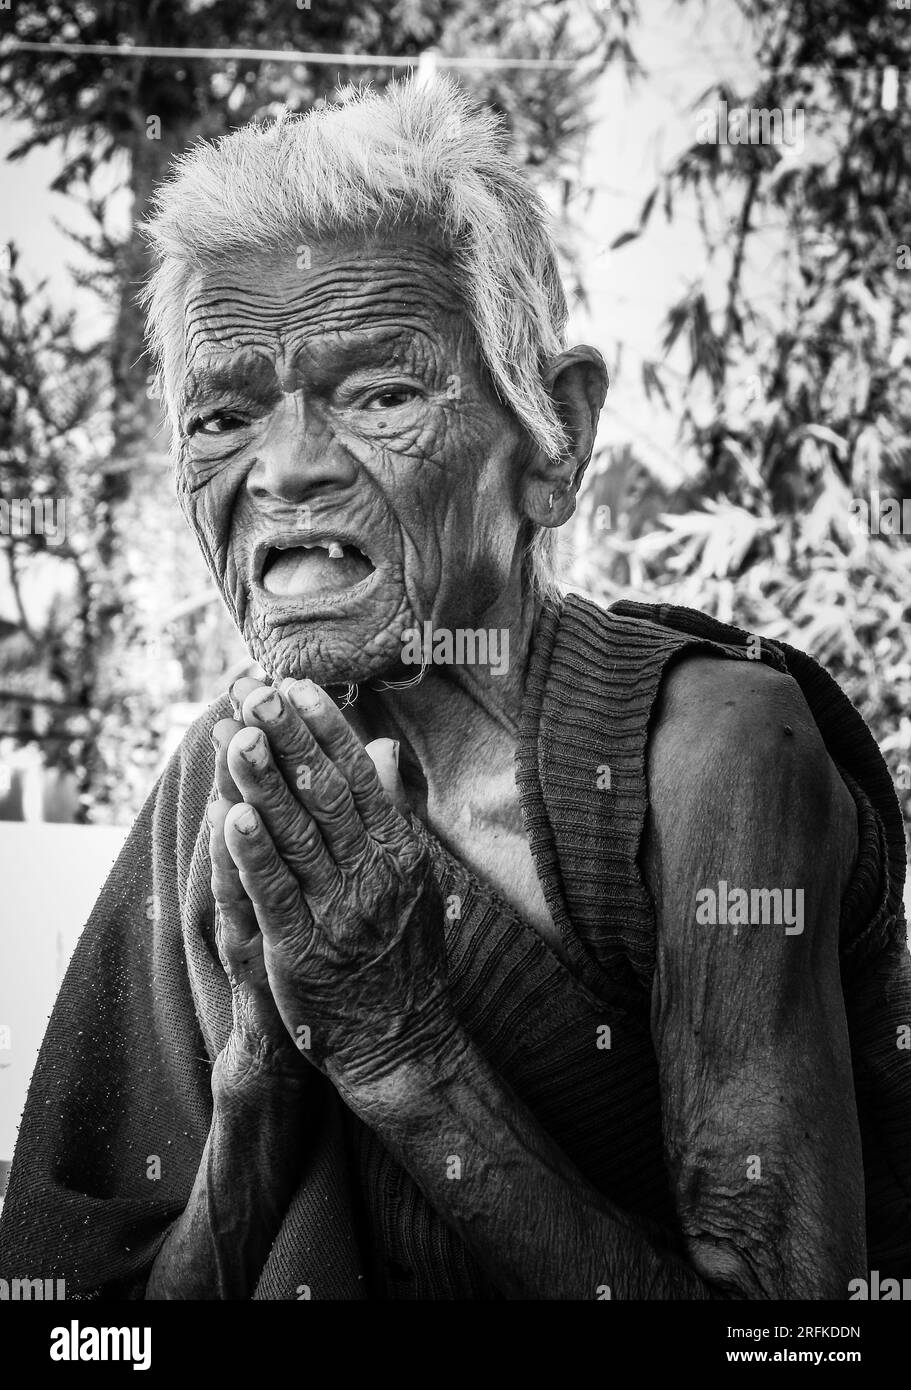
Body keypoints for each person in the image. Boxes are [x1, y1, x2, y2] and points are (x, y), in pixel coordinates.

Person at [1, 77, 908, 1301]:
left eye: (379, 392)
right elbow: (80, 1337)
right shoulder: (229, 787)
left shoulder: (714, 755)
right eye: (222, 413)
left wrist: (402, 1052)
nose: (285, 470)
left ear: (554, 440)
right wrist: (255, 1102)